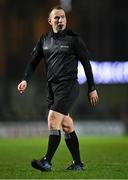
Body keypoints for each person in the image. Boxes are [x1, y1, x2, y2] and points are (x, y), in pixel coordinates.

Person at [17, 5, 99, 172]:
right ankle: (78, 164)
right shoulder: (44, 39)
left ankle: (47, 161)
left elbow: (87, 64)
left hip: (68, 86)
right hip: (52, 88)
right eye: (57, 18)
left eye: (63, 17)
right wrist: (25, 79)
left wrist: (92, 88)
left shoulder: (74, 39)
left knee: (52, 120)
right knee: (67, 125)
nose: (60, 20)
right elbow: (34, 62)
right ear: (50, 21)